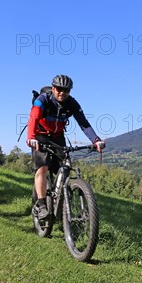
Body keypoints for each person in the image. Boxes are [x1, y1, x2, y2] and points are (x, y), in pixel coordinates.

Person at [26, 74, 105, 220]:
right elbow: (33, 118)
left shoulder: (72, 103)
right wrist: (31, 137)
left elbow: (83, 123)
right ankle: (42, 205)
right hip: (40, 135)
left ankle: (62, 204)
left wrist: (96, 140)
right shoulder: (42, 100)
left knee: (63, 167)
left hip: (57, 137)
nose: (62, 92)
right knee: (42, 167)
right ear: (53, 88)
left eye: (66, 90)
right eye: (59, 89)